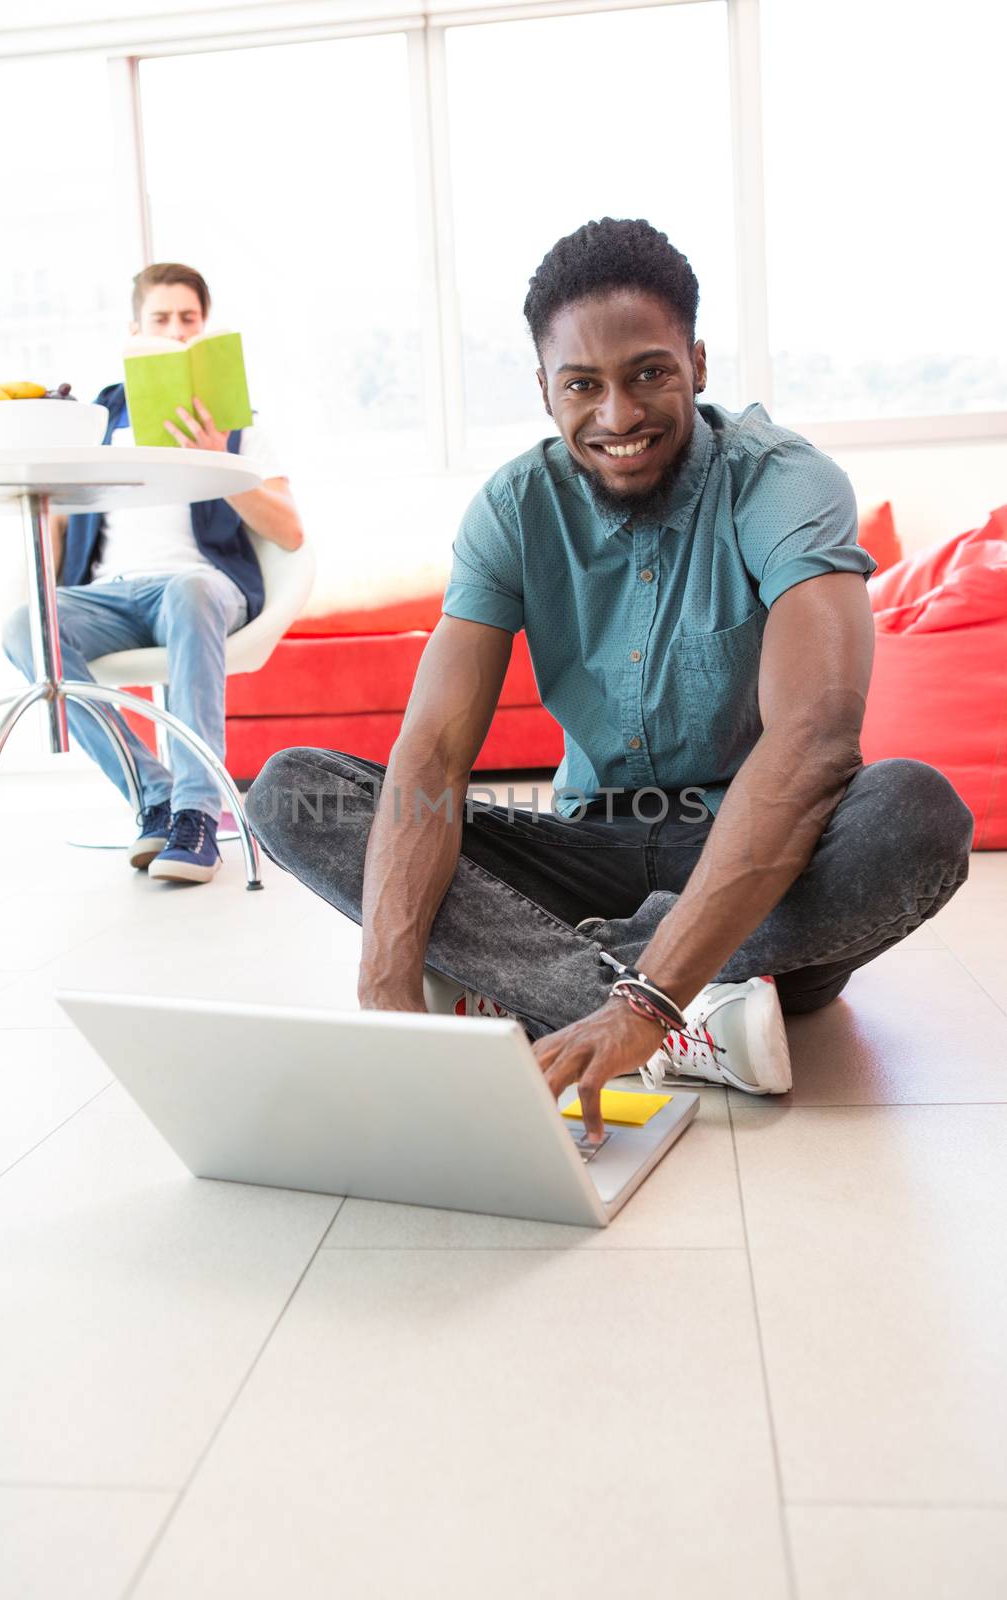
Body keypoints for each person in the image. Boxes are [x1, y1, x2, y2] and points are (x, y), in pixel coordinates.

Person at [245, 218, 972, 1134]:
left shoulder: (784, 483)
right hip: (588, 849)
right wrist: (392, 1004)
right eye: (582, 384)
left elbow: (814, 741)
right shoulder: (511, 508)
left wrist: (640, 1007)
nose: (618, 415)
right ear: (544, 389)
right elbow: (430, 752)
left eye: (649, 374)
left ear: (697, 364)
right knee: (296, 792)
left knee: (914, 814)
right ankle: (701, 1016)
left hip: (763, 862)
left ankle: (566, 991)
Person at [3, 262, 304, 884]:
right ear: (134, 330)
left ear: (203, 329)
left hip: (197, 585)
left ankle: (197, 814)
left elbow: (289, 530)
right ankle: (154, 795)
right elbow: (59, 528)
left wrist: (217, 458)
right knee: (22, 626)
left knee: (189, 588)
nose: (173, 331)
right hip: (108, 594)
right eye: (159, 320)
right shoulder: (96, 419)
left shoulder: (235, 421)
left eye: (186, 320)